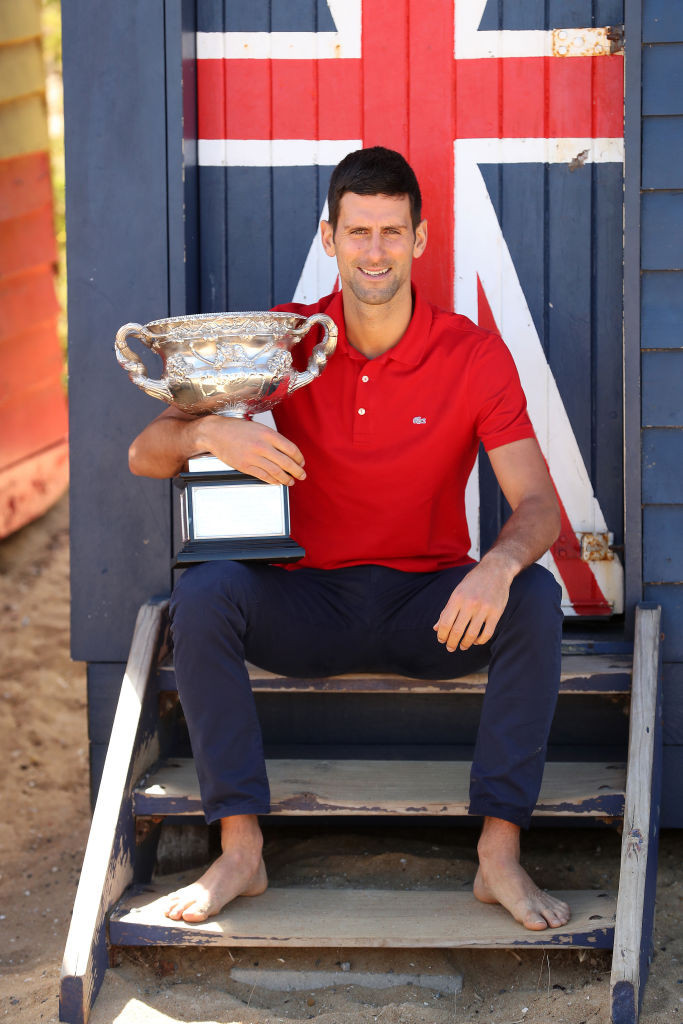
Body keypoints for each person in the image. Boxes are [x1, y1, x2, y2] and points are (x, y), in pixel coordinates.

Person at [128, 146, 569, 932]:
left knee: (533, 594)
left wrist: (496, 565)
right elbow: (143, 454)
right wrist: (212, 432)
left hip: (428, 608)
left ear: (419, 239)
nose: (375, 251)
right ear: (328, 237)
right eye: (358, 231)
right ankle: (240, 850)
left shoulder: (469, 352)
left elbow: (537, 503)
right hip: (305, 601)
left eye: (391, 231)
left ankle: (498, 854)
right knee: (205, 592)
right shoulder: (283, 342)